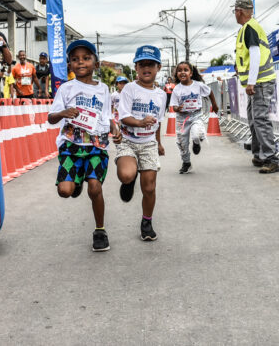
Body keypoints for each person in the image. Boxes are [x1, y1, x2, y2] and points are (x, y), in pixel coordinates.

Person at [47, 39, 120, 252]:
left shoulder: (104, 89)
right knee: (65, 191)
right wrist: (63, 113)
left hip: (96, 144)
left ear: (95, 64)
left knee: (95, 188)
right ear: (69, 64)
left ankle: (100, 230)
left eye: (86, 58)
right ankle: (75, 181)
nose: (81, 62)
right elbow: (51, 117)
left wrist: (114, 129)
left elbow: (106, 116)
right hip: (71, 146)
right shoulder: (66, 89)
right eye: (75, 59)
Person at [115, 45, 166, 242]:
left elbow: (158, 122)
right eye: (142, 64)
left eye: (150, 64)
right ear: (136, 67)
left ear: (158, 67)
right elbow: (124, 117)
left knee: (149, 188)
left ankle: (147, 221)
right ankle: (128, 181)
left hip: (149, 143)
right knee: (127, 175)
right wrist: (139, 122)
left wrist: (159, 143)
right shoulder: (129, 88)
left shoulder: (161, 95)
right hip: (128, 140)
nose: (146, 68)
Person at [232, 0, 279, 174]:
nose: (235, 14)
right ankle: (260, 154)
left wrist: (251, 81)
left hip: (260, 82)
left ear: (240, 11)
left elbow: (255, 53)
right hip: (257, 82)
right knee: (254, 120)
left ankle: (270, 158)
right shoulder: (247, 28)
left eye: (235, 11)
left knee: (260, 120)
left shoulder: (250, 27)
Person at [170, 61, 219, 174]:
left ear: (191, 73)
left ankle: (196, 142)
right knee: (182, 143)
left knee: (196, 134)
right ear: (176, 74)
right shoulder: (177, 89)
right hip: (182, 119)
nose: (182, 72)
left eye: (185, 70)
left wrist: (214, 105)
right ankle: (186, 163)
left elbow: (210, 92)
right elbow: (174, 106)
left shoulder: (198, 85)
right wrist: (178, 108)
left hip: (196, 115)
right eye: (179, 70)